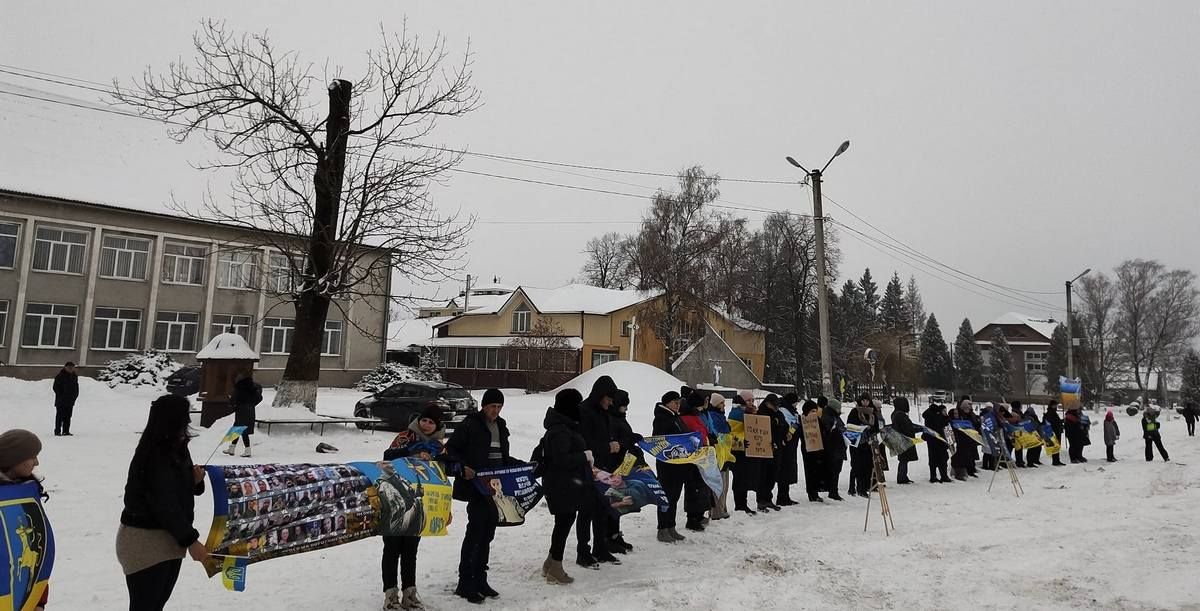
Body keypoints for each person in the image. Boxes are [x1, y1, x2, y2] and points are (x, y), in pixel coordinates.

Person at [116, 394, 208, 611]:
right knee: (146, 606)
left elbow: (175, 489)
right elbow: (164, 503)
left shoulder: (177, 446)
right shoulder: (154, 454)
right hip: (145, 542)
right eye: (184, 417)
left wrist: (195, 482)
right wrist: (191, 541)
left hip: (170, 539)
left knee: (156, 605)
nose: (188, 421)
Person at [445, 388, 511, 604]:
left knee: (487, 535)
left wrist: (522, 467)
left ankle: (481, 578)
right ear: (484, 405)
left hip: (495, 489)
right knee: (475, 534)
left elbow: (503, 456)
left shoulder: (500, 426)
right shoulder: (470, 425)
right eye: (492, 406)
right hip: (475, 488)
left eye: (499, 407)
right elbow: (451, 451)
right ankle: (465, 582)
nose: (496, 410)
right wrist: (464, 468)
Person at [379, 403, 448, 610]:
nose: (426, 425)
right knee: (391, 548)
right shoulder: (406, 436)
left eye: (431, 422)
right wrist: (411, 452)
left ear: (437, 426)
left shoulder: (439, 446)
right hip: (395, 498)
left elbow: (443, 477)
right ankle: (390, 594)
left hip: (420, 503)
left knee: (410, 549)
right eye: (424, 420)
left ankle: (410, 592)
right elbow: (387, 455)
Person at [539, 389, 589, 585]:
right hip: (560, 483)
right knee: (564, 522)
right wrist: (584, 456)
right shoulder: (560, 429)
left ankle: (551, 562)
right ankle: (556, 568)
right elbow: (561, 459)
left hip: (563, 483)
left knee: (564, 521)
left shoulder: (564, 425)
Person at [0, 429, 49, 611]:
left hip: (24, 593)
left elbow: (37, 547)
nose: (37, 462)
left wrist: (38, 600)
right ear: (15, 459)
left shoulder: (25, 493)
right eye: (32, 456)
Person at [575, 376, 620, 568]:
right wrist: (607, 447)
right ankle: (583, 551)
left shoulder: (604, 413)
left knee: (602, 510)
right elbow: (584, 442)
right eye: (608, 399)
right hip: (588, 470)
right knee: (586, 511)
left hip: (604, 469)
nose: (610, 403)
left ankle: (600, 547)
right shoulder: (584, 411)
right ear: (600, 396)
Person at [606, 389, 642, 552]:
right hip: (613, 466)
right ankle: (609, 537)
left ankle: (615, 534)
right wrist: (629, 443)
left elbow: (625, 437)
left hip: (622, 465)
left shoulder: (620, 418)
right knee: (613, 501)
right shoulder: (611, 420)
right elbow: (616, 442)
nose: (626, 409)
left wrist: (633, 438)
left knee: (618, 500)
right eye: (623, 406)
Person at [653, 391, 690, 541]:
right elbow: (661, 440)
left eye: (679, 403)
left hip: (678, 463)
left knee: (674, 496)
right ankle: (662, 528)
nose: (678, 405)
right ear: (667, 403)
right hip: (667, 464)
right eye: (675, 403)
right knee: (666, 496)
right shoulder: (662, 418)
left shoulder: (676, 417)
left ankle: (671, 526)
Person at [679, 390, 716, 528]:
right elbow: (692, 435)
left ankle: (699, 515)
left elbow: (703, 431)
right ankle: (692, 518)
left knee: (702, 487)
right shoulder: (688, 417)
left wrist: (709, 439)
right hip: (693, 458)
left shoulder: (697, 416)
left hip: (702, 456)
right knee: (694, 488)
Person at [728, 391, 762, 514]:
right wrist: (743, 441)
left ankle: (742, 503)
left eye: (752, 401)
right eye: (748, 401)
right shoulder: (737, 414)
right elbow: (733, 433)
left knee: (743, 478)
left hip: (745, 449)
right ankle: (740, 504)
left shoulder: (746, 413)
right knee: (740, 478)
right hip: (739, 450)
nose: (751, 403)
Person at [700, 392, 732, 519]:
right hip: (718, 453)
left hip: (724, 453)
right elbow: (719, 433)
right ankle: (717, 510)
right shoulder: (714, 416)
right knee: (718, 484)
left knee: (724, 484)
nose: (724, 405)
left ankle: (721, 508)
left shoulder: (719, 415)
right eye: (721, 403)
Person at [756, 394, 786, 512]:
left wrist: (778, 423)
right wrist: (775, 423)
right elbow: (766, 426)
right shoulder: (762, 413)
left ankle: (768, 498)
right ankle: (761, 500)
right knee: (763, 474)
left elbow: (783, 424)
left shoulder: (778, 413)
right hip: (764, 448)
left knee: (772, 475)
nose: (776, 408)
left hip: (776, 447)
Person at [846, 393, 878, 498]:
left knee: (867, 466)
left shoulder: (873, 413)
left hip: (868, 443)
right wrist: (861, 427)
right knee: (856, 466)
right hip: (856, 443)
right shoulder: (855, 411)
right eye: (863, 401)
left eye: (867, 401)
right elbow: (850, 426)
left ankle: (863, 488)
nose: (865, 403)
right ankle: (852, 487)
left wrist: (870, 429)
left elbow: (876, 427)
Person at [223, 372, 263, 458]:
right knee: (237, 428)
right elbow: (259, 398)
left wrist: (233, 404)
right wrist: (252, 404)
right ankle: (232, 448)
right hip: (250, 410)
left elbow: (233, 400)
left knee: (241, 430)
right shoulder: (253, 387)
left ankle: (247, 450)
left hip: (241, 411)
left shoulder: (239, 388)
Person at [776, 393, 803, 505]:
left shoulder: (793, 412)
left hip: (792, 445)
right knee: (784, 471)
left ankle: (786, 495)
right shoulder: (783, 411)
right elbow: (786, 426)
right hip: (785, 445)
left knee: (788, 471)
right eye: (796, 401)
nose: (797, 404)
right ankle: (781, 497)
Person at [818, 396, 846, 501]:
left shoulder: (834, 416)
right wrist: (834, 430)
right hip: (832, 448)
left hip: (838, 447)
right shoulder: (828, 417)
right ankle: (832, 490)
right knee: (833, 470)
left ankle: (834, 490)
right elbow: (826, 432)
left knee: (837, 470)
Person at [798, 399, 826, 502]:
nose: (814, 413)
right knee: (810, 470)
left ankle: (816, 491)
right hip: (807, 448)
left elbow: (823, 431)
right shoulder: (802, 420)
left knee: (817, 470)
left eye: (815, 411)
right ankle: (811, 492)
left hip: (817, 447)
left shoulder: (818, 420)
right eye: (812, 411)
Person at [921, 402, 952, 483]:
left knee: (935, 458)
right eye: (944, 411)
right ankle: (941, 476)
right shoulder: (935, 417)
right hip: (937, 440)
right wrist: (946, 418)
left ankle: (935, 476)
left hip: (934, 440)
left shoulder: (930, 415)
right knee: (940, 458)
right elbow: (940, 426)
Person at [890, 397, 918, 484]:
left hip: (902, 439)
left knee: (904, 459)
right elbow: (905, 427)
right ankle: (901, 477)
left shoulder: (897, 414)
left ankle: (903, 476)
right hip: (904, 439)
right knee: (903, 459)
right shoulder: (899, 415)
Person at [951, 398, 980, 480]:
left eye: (969, 408)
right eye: (966, 408)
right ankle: (962, 470)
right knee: (962, 454)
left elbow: (975, 424)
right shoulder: (959, 414)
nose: (968, 410)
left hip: (971, 436)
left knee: (971, 454)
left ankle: (970, 469)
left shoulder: (972, 414)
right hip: (962, 437)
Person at [52, 362, 79, 437]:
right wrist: (61, 395)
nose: (71, 369)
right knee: (59, 416)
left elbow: (76, 387)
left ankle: (66, 431)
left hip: (70, 401)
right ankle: (57, 431)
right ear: (65, 367)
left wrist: (75, 396)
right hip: (61, 401)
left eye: (72, 367)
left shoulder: (74, 376)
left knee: (68, 416)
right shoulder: (60, 376)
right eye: (69, 367)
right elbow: (55, 387)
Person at [1045, 401, 1066, 466]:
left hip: (1056, 431)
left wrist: (1061, 421)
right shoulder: (1051, 413)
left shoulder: (1052, 412)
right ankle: (1055, 461)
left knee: (1056, 446)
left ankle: (1057, 460)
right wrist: (1061, 421)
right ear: (1052, 405)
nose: (1056, 406)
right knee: (1055, 446)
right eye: (1055, 405)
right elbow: (1054, 422)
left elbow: (1057, 421)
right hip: (1054, 432)